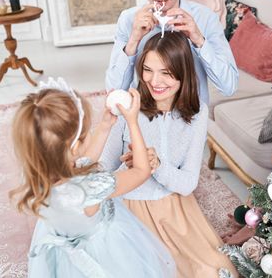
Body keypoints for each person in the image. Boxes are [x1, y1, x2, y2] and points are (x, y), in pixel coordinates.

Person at [101, 32, 238, 277]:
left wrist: (156, 165)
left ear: (183, 72)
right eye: (148, 70)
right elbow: (103, 167)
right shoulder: (127, 107)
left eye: (166, 72)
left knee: (215, 271)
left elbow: (187, 184)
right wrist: (132, 168)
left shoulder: (198, 114)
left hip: (175, 211)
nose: (155, 81)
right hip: (129, 212)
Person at [10, 78, 175, 278]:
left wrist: (105, 126)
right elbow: (141, 171)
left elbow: (84, 160)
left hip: (69, 254)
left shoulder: (39, 173)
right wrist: (133, 122)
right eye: (86, 132)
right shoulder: (91, 188)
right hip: (105, 252)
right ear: (74, 147)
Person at [105, 0, 238, 103]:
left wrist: (199, 40)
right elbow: (113, 90)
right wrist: (133, 42)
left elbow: (229, 86)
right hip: (141, 122)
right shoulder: (128, 19)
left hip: (190, 124)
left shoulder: (206, 19)